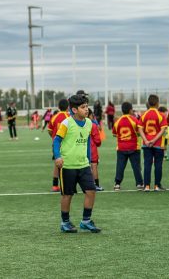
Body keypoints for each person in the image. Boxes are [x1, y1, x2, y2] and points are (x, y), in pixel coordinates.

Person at [53, 94, 100, 233]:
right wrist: (58, 157)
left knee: (91, 191)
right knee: (68, 194)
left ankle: (86, 221)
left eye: (87, 106)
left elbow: (86, 144)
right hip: (68, 166)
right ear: (74, 110)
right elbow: (56, 141)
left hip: (84, 165)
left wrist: (90, 162)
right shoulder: (66, 123)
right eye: (83, 107)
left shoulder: (89, 123)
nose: (86, 110)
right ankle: (65, 222)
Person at [112, 102, 144, 191]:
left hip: (121, 148)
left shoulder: (117, 121)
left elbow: (114, 134)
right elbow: (139, 132)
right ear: (130, 110)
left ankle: (117, 184)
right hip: (134, 147)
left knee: (120, 166)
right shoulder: (134, 120)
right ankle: (139, 183)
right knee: (136, 166)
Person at [140, 95, 168, 191]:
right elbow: (163, 130)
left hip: (146, 143)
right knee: (158, 164)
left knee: (147, 164)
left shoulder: (144, 115)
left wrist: (147, 140)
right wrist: (154, 140)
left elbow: (140, 129)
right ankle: (157, 185)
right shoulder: (161, 115)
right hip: (158, 144)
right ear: (157, 103)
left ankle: (146, 186)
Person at [47, 99, 70, 192]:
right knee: (68, 164)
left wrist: (54, 137)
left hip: (56, 143)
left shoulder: (54, 117)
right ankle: (67, 184)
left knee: (57, 164)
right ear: (68, 107)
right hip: (67, 144)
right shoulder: (70, 116)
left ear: (58, 107)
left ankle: (55, 185)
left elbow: (49, 130)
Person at [88, 109, 103, 191]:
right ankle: (96, 185)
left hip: (80, 149)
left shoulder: (78, 124)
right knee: (94, 166)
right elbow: (98, 141)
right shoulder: (92, 125)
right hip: (92, 149)